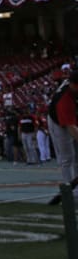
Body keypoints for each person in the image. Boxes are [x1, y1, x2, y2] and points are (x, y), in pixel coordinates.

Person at [48, 71, 78, 204]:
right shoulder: (64, 100)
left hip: (73, 116)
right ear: (72, 84)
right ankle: (70, 191)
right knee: (67, 157)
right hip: (58, 123)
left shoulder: (73, 92)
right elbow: (71, 127)